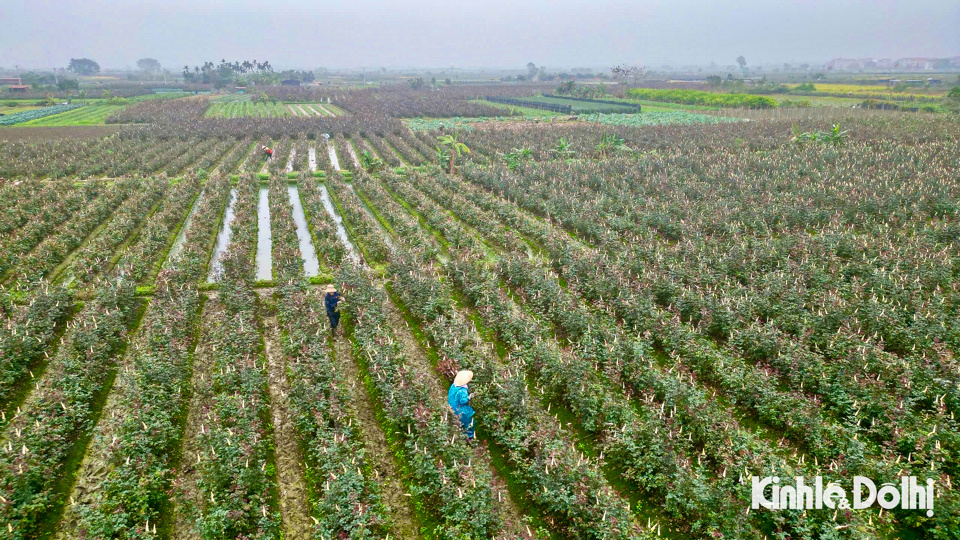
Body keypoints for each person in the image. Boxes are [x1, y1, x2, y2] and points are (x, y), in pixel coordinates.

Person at [448, 370, 475, 441]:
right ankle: (468, 437)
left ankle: (460, 430)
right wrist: (469, 397)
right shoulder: (463, 390)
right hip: (459, 409)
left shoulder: (453, 386)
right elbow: (463, 401)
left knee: (458, 421)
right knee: (470, 421)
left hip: (452, 406)